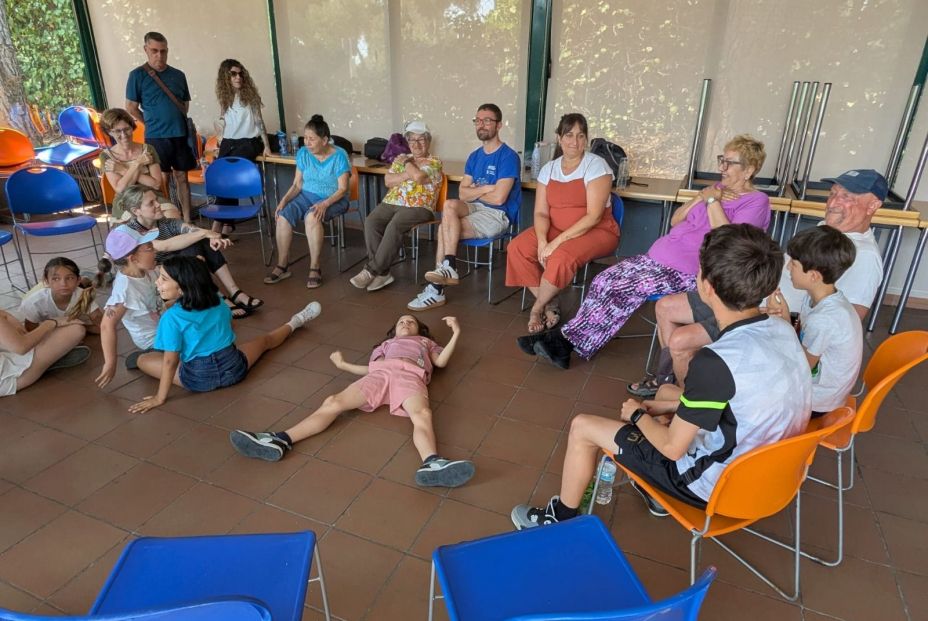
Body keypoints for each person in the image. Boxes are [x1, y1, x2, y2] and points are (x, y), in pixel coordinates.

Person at [511, 224, 810, 528]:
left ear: (705, 286)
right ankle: (650, 485)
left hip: (718, 487)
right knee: (666, 397)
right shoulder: (784, 328)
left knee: (583, 427)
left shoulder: (716, 361)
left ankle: (558, 517)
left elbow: (671, 447)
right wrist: (668, 408)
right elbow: (739, 400)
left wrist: (639, 415)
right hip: (774, 476)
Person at [518, 134, 770, 370]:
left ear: (749, 170)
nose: (722, 167)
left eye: (730, 163)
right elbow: (676, 220)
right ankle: (563, 341)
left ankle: (564, 343)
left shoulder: (756, 202)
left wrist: (713, 201)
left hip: (689, 269)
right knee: (604, 280)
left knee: (621, 289)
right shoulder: (715, 189)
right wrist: (699, 198)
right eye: (721, 160)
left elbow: (729, 239)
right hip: (658, 259)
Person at [651, 168, 886, 394]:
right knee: (665, 307)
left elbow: (846, 325)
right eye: (833, 193)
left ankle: (687, 410)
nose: (833, 202)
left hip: (761, 315)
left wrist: (782, 322)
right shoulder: (826, 229)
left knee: (681, 342)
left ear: (874, 205)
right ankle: (665, 383)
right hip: (750, 294)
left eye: (847, 197)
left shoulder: (864, 257)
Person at [229, 315, 476, 488]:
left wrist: (456, 333)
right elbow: (370, 369)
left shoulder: (426, 343)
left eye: (411, 321)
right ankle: (280, 440)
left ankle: (432, 463)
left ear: (420, 330)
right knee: (334, 401)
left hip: (410, 377)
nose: (405, 322)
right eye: (401, 320)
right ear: (393, 330)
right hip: (380, 375)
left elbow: (441, 361)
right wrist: (343, 365)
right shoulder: (385, 345)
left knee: (422, 415)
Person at [127, 256, 322, 414]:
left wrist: (159, 398)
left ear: (183, 287)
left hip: (197, 378)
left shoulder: (170, 318)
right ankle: (297, 320)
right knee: (266, 341)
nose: (157, 282)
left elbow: (170, 362)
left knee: (144, 358)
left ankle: (147, 358)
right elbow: (230, 327)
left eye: (163, 278)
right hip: (234, 368)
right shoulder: (218, 302)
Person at [505, 113, 618, 333]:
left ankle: (537, 309)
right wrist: (541, 241)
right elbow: (541, 213)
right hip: (556, 228)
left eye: (580, 135)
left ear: (586, 139)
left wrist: (555, 243)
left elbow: (594, 216)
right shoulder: (549, 169)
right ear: (559, 137)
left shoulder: (597, 166)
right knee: (517, 248)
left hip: (597, 231)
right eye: (568, 135)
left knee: (561, 255)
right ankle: (551, 303)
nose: (574, 142)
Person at [407, 103, 521, 310]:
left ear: (499, 125)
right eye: (478, 120)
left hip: (496, 215)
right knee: (450, 204)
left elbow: (499, 199)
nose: (481, 125)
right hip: (474, 208)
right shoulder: (474, 156)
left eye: (487, 120)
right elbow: (462, 193)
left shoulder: (508, 157)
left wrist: (477, 191)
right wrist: (488, 187)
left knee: (444, 228)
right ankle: (449, 266)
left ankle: (436, 290)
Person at [117, 184, 263, 319]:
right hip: (160, 274)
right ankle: (216, 295)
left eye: (156, 200)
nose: (158, 205)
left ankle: (234, 292)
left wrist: (211, 235)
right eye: (151, 203)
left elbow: (190, 229)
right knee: (197, 241)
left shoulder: (165, 222)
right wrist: (205, 233)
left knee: (201, 241)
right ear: (136, 211)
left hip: (179, 265)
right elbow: (164, 246)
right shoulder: (132, 232)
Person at [768, 226, 861, 416]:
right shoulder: (817, 298)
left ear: (813, 276)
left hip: (817, 401)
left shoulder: (826, 318)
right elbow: (803, 343)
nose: (788, 268)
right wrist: (784, 317)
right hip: (818, 388)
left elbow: (801, 367)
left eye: (793, 264)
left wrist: (783, 324)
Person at [349, 121, 443, 292]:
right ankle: (383, 273)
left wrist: (406, 163)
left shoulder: (434, 161)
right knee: (371, 221)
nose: (416, 144)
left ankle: (371, 271)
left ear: (428, 141)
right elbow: (388, 181)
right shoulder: (401, 160)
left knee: (395, 225)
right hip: (392, 202)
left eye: (421, 139)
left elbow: (419, 178)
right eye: (412, 140)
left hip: (419, 206)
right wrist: (410, 172)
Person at [265, 115, 350, 289]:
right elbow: (297, 184)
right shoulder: (303, 153)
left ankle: (315, 267)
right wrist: (284, 200)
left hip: (333, 199)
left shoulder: (339, 155)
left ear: (325, 140)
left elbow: (342, 189)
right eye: (306, 138)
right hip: (306, 196)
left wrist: (324, 204)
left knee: (312, 217)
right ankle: (282, 265)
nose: (307, 143)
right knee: (282, 216)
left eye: (312, 139)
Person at [125, 31, 195, 223]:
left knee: (182, 177)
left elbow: (185, 105)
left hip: (179, 134)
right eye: (154, 51)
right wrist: (149, 123)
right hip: (156, 137)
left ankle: (187, 220)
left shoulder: (178, 75)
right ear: (146, 50)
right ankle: (165, 220)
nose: (159, 55)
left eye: (163, 51)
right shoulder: (137, 75)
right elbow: (130, 107)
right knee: (160, 180)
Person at [95, 226, 164, 388]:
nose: (155, 252)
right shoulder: (125, 289)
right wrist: (110, 362)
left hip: (165, 325)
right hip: (154, 340)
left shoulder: (146, 270)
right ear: (132, 259)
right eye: (149, 249)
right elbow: (106, 325)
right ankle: (143, 358)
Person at [212, 59, 273, 235]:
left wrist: (266, 145)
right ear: (226, 77)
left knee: (230, 175)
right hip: (229, 142)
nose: (238, 77)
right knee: (221, 179)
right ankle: (228, 223)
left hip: (248, 142)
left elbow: (259, 122)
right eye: (233, 74)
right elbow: (224, 121)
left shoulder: (250, 96)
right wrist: (219, 138)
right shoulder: (225, 98)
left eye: (240, 73)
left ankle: (218, 224)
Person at [99, 108, 179, 220]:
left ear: (132, 127)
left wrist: (122, 170)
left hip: (152, 196)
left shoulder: (148, 149)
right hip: (126, 200)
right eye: (117, 131)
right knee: (133, 225)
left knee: (172, 216)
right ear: (109, 132)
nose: (124, 135)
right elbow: (121, 189)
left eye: (127, 129)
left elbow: (156, 184)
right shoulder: (106, 156)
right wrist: (138, 163)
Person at [0, 304, 88, 396]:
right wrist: (51, 323)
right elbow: (21, 348)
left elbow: (4, 315)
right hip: (11, 376)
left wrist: (23, 333)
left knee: (21, 338)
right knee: (76, 330)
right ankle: (48, 363)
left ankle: (48, 355)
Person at [20, 257, 102, 334]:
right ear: (46, 281)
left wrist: (80, 327)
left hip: (74, 288)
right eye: (56, 279)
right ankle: (85, 279)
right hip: (38, 291)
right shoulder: (35, 302)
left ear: (78, 280)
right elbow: (30, 331)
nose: (63, 284)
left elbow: (101, 325)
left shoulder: (83, 295)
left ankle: (85, 279)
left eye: (69, 278)